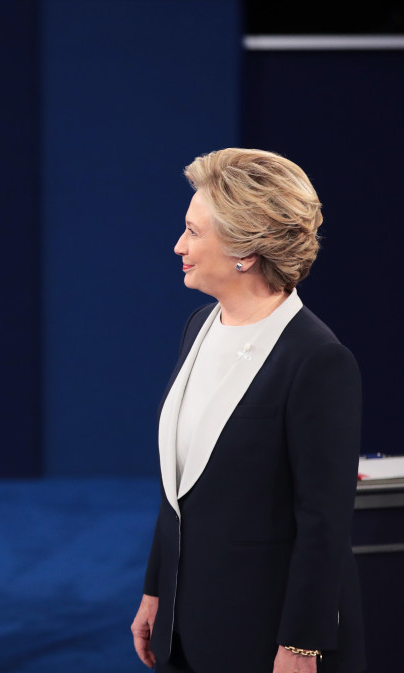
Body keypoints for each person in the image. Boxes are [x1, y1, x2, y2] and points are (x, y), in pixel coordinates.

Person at [130, 149, 365, 673]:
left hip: (265, 642)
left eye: (194, 232)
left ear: (245, 249)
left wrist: (301, 645)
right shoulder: (199, 325)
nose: (178, 246)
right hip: (185, 631)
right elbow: (182, 484)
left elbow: (324, 522)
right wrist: (155, 591)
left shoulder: (319, 360)